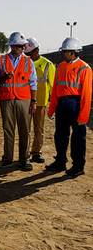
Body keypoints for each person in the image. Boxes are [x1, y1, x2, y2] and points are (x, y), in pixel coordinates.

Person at [0, 32, 37, 170]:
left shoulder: (28, 61)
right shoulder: (1, 61)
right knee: (8, 130)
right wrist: (3, 77)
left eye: (23, 46)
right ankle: (8, 159)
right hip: (7, 100)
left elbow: (33, 83)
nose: (22, 49)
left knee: (25, 130)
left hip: (24, 100)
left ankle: (24, 159)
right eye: (19, 46)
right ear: (11, 46)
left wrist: (33, 101)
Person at [46, 37, 92, 177]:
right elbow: (55, 90)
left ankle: (78, 166)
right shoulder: (60, 66)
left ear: (72, 52)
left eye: (64, 51)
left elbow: (86, 94)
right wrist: (52, 108)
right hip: (62, 105)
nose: (62, 53)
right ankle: (60, 161)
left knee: (78, 137)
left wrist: (83, 116)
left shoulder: (84, 68)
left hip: (76, 105)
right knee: (60, 135)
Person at [24, 38, 55, 163]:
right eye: (26, 54)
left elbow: (53, 86)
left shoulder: (48, 65)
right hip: (25, 101)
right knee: (25, 129)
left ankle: (36, 152)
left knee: (39, 129)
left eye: (30, 53)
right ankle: (24, 153)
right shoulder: (24, 63)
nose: (28, 56)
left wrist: (53, 104)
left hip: (41, 102)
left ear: (36, 51)